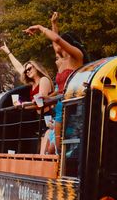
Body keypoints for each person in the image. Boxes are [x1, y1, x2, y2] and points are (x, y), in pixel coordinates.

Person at [25, 12, 88, 152]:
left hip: (73, 103)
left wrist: (41, 27)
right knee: (56, 145)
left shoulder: (77, 56)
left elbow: (57, 40)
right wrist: (54, 24)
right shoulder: (61, 60)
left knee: (66, 142)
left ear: (68, 44)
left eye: (62, 43)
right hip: (60, 103)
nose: (56, 47)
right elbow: (56, 42)